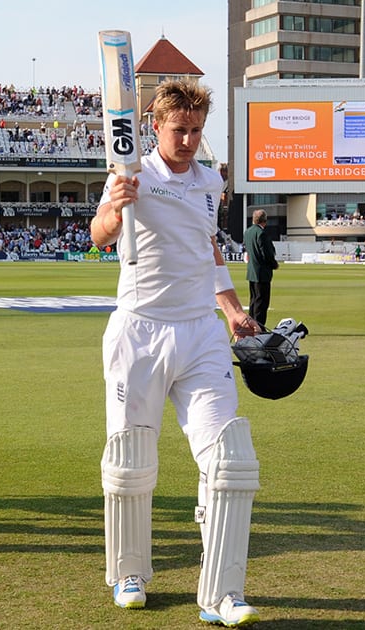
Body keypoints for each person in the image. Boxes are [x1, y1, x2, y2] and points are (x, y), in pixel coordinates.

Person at [89, 80, 263, 627]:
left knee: (229, 460)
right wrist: (116, 210)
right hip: (139, 332)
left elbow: (206, 248)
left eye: (195, 130)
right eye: (177, 130)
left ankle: (223, 591)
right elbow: (98, 236)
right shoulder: (130, 172)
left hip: (200, 333)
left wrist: (233, 311)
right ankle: (129, 571)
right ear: (156, 127)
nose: (187, 140)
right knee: (131, 461)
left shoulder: (210, 180)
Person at [243, 209, 278, 327]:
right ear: (265, 220)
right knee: (261, 302)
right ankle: (259, 327)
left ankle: (251, 325)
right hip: (262, 273)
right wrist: (274, 264)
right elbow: (266, 254)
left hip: (252, 272)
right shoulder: (261, 233)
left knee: (253, 301)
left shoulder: (247, 232)